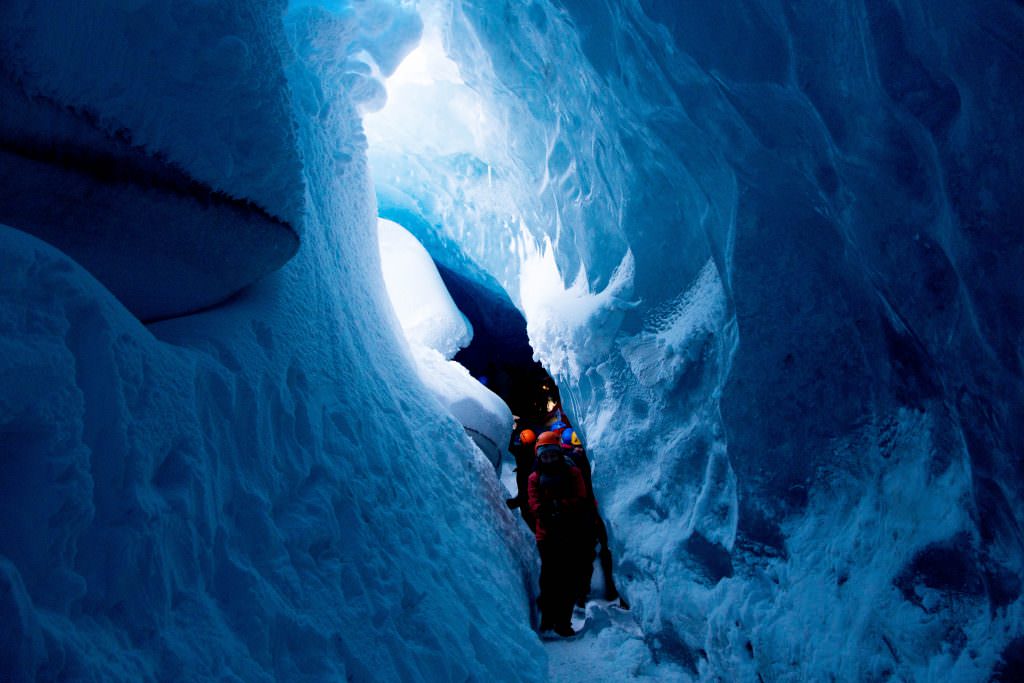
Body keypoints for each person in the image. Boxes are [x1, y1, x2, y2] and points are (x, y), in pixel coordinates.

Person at [560, 429, 628, 609]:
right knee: (599, 551)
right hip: (589, 512)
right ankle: (613, 591)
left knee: (587, 553)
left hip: (585, 513)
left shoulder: (567, 462)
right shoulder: (578, 462)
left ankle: (584, 593)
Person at [529, 431, 588, 637]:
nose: (550, 459)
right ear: (540, 457)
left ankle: (563, 622)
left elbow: (581, 497)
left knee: (567, 579)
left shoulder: (572, 473)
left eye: (553, 455)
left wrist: (559, 506)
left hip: (570, 533)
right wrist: (545, 511)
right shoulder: (535, 478)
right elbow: (533, 502)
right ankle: (548, 620)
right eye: (546, 456)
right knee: (550, 579)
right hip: (546, 535)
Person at [505, 428, 537, 530]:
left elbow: (510, 447)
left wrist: (513, 431)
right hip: (530, 474)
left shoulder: (519, 451)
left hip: (523, 475)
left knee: (525, 494)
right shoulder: (536, 451)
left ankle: (520, 506)